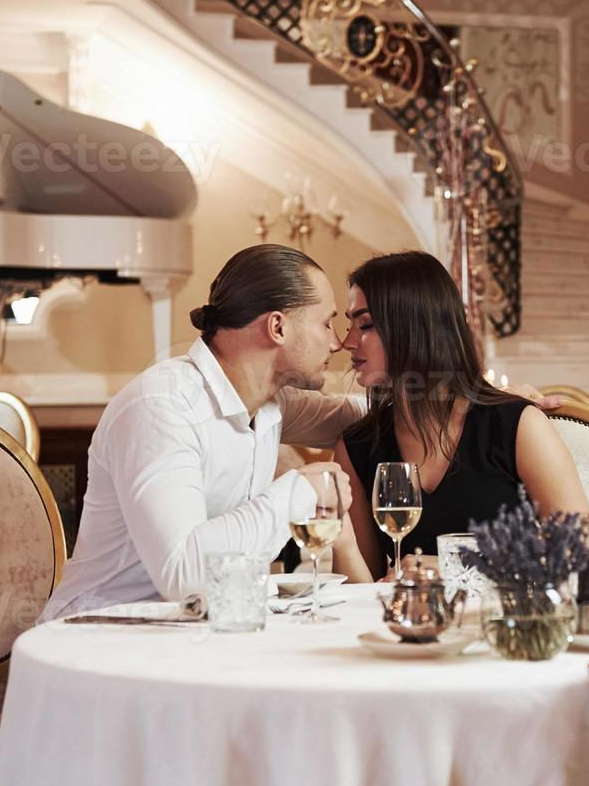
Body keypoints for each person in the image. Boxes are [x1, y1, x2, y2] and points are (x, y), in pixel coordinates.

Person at [40, 243, 362, 620]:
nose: (337, 342)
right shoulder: (162, 406)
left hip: (195, 636)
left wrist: (432, 391)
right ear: (277, 327)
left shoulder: (270, 402)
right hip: (101, 638)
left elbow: (356, 415)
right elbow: (183, 575)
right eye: (326, 323)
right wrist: (299, 493)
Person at [332, 251, 589, 581]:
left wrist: (460, 568)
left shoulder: (516, 427)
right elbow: (361, 594)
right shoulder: (357, 447)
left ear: (414, 325)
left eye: (365, 324)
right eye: (349, 324)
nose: (347, 342)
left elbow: (582, 552)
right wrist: (341, 542)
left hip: (509, 626)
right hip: (412, 629)